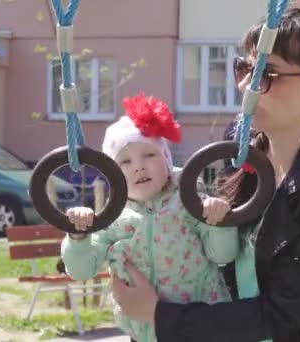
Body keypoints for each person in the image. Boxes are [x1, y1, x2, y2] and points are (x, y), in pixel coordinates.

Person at [109, 8, 300, 341]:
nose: (245, 84)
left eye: (266, 74)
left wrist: (159, 314)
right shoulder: (240, 140)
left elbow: (282, 314)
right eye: (244, 68)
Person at [60, 92, 239, 342]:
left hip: (199, 326)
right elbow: (80, 271)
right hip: (143, 333)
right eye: (125, 161)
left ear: (166, 160)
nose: (138, 166)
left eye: (149, 155)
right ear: (114, 175)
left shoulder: (189, 202)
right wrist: (78, 235)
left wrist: (218, 221)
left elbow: (223, 255)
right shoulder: (112, 217)